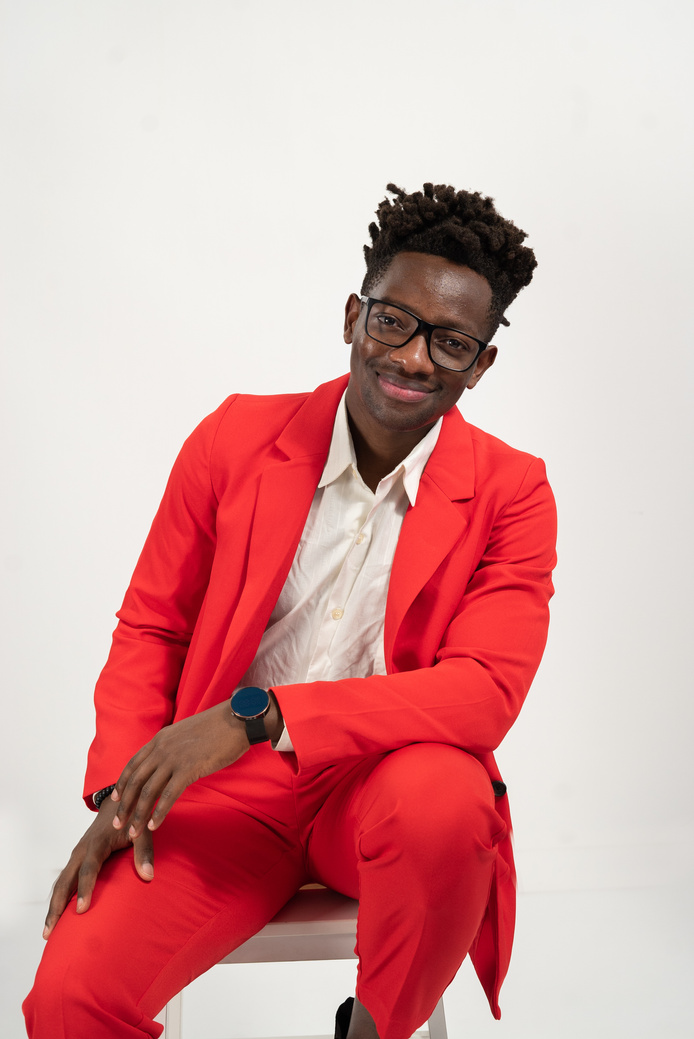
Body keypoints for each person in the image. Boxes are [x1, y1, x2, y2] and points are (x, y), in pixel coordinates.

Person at [23, 183, 557, 1039]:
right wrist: (123, 794)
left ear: (481, 361)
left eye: (451, 342)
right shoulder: (234, 440)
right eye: (394, 322)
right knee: (69, 1000)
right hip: (224, 797)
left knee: (447, 799)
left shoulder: (513, 491)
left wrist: (261, 717)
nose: (415, 359)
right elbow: (151, 627)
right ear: (354, 313)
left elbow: (482, 691)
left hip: (383, 788)